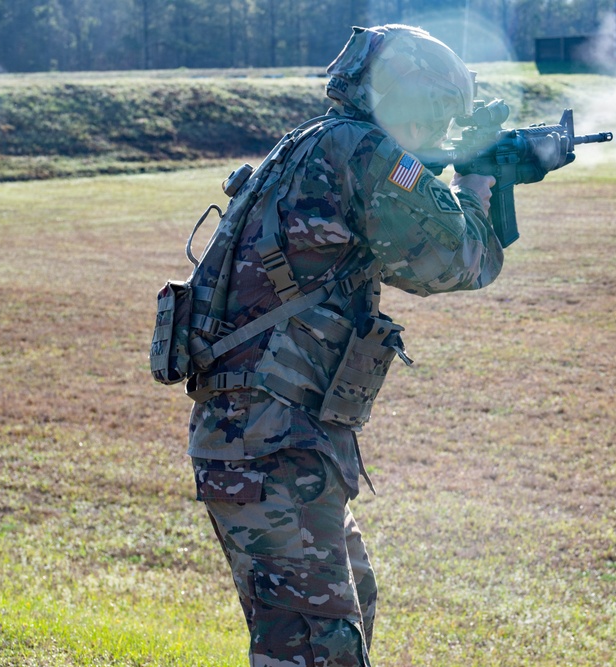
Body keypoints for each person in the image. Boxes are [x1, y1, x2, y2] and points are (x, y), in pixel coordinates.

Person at [186, 24, 503, 667]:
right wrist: (477, 189)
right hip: (275, 444)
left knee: (344, 609)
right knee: (314, 649)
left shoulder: (313, 143)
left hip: (265, 437)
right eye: (437, 114)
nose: (437, 132)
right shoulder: (368, 153)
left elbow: (396, 201)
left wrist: (447, 176)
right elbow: (454, 261)